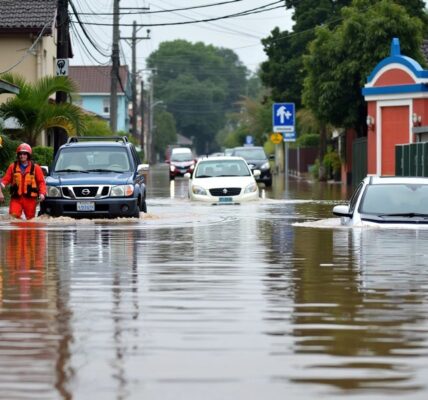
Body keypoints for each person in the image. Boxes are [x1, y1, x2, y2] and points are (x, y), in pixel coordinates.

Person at [0, 143, 46, 220]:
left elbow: (41, 182)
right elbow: (5, 180)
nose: (22, 156)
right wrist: (1, 187)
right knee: (13, 218)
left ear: (28, 155)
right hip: (16, 199)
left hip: (30, 200)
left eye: (24, 154)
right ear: (18, 155)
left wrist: (42, 194)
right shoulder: (12, 167)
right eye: (20, 154)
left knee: (30, 220)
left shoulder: (36, 168)